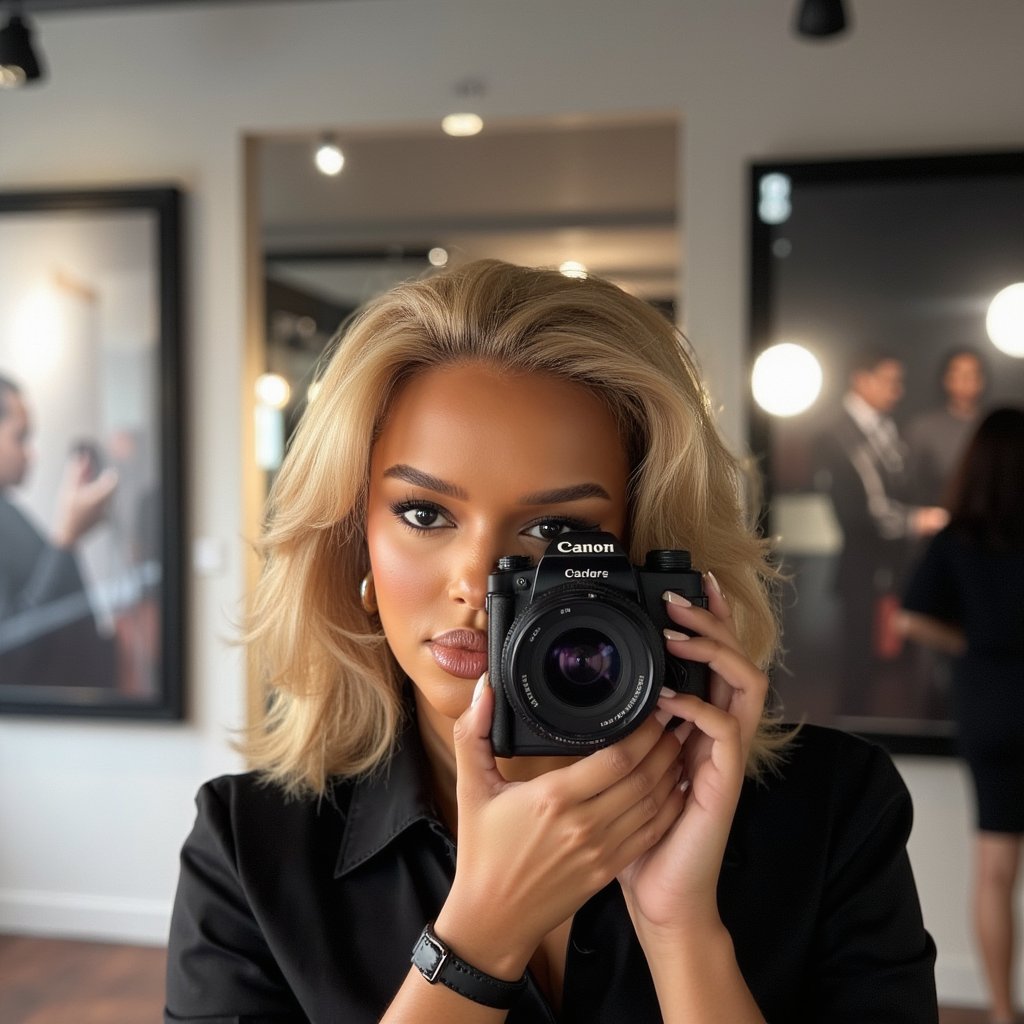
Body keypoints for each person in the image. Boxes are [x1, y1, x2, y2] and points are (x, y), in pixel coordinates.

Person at [165, 261, 938, 1023]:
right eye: (425, 514)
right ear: (352, 539)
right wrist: (476, 940)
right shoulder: (249, 849)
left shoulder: (839, 812)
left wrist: (684, 934)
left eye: (555, 529)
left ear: (644, 553)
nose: (475, 581)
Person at [900, 407, 1024, 1024]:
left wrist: (972, 643)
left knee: (996, 869)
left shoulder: (957, 537)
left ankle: (1002, 1012)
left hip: (991, 706)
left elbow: (910, 617)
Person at [812, 348, 948, 713]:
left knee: (900, 668)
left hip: (897, 566)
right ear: (862, 379)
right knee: (858, 667)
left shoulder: (886, 429)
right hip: (863, 568)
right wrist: (919, 520)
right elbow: (860, 511)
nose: (897, 390)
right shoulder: (837, 434)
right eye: (890, 380)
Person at [0, 374, 118, 689]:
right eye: (20, 437)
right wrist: (65, 536)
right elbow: (10, 649)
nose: (31, 453)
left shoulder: (8, 512)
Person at [905, 347, 988, 507]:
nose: (966, 379)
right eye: (959, 373)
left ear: (981, 380)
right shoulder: (923, 429)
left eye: (972, 373)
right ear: (946, 379)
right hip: (940, 521)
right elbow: (909, 485)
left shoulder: (995, 427)